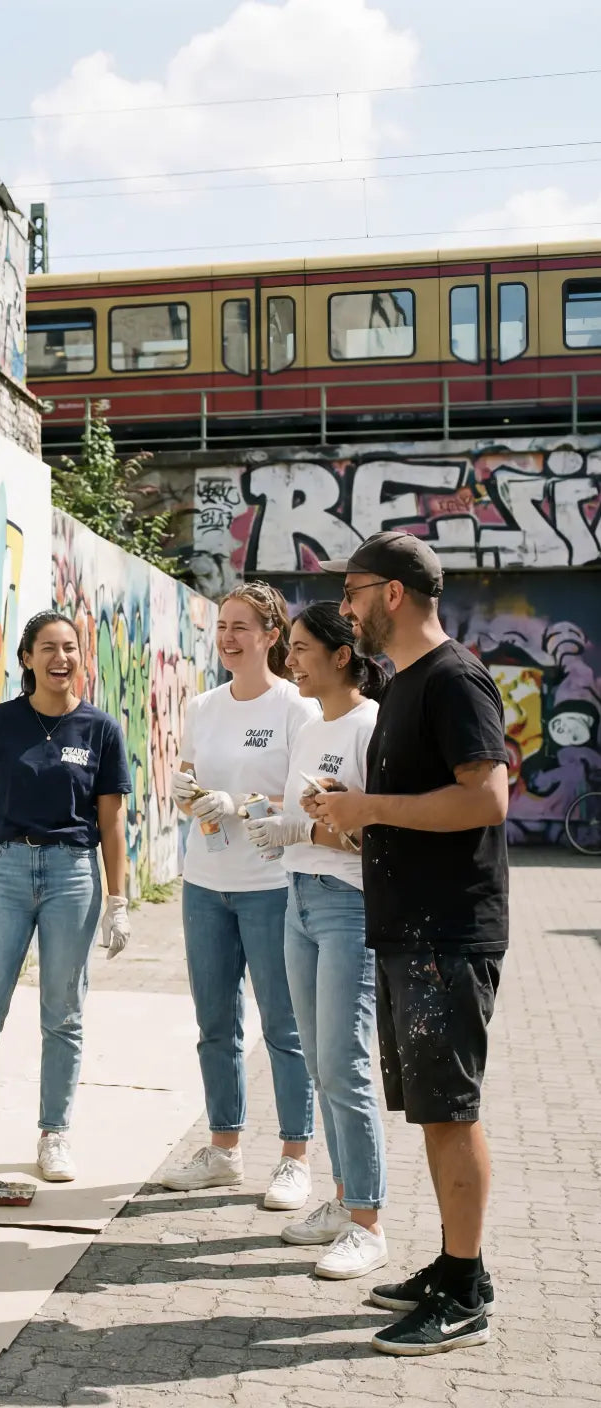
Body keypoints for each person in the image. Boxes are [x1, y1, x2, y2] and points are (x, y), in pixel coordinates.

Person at [312, 531, 508, 1356]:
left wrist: (372, 811)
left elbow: (488, 800)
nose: (345, 608)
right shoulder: (404, 687)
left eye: (353, 591)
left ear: (392, 593)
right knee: (430, 1113)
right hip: (409, 930)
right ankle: (455, 1266)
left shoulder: (454, 679)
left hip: (446, 934)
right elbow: (412, 809)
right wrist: (348, 817)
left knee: (450, 1113)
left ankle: (463, 1292)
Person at [0, 610, 132, 1183]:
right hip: (7, 873)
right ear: (26, 658)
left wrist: (120, 901)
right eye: (48, 648)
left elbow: (112, 825)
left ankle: (54, 1134)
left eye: (69, 648)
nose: (60, 658)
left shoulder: (100, 730)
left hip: (73, 876)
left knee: (62, 1014)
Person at [158, 582, 319, 1210]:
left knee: (285, 1027)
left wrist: (246, 804)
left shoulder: (295, 709)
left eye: (241, 627)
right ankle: (223, 1150)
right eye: (222, 625)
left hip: (272, 887)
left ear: (271, 636)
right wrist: (186, 792)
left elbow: (311, 803)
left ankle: (294, 1156)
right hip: (205, 884)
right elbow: (194, 775)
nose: (227, 637)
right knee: (215, 1026)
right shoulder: (203, 707)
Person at [245, 601, 389, 1280]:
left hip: (348, 907)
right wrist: (268, 820)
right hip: (298, 901)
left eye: (301, 648)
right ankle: (340, 1201)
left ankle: (367, 1221)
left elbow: (372, 835)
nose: (290, 660)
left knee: (345, 1063)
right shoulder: (312, 725)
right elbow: (308, 809)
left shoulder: (372, 726)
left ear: (340, 654)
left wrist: (303, 830)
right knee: (320, 1064)